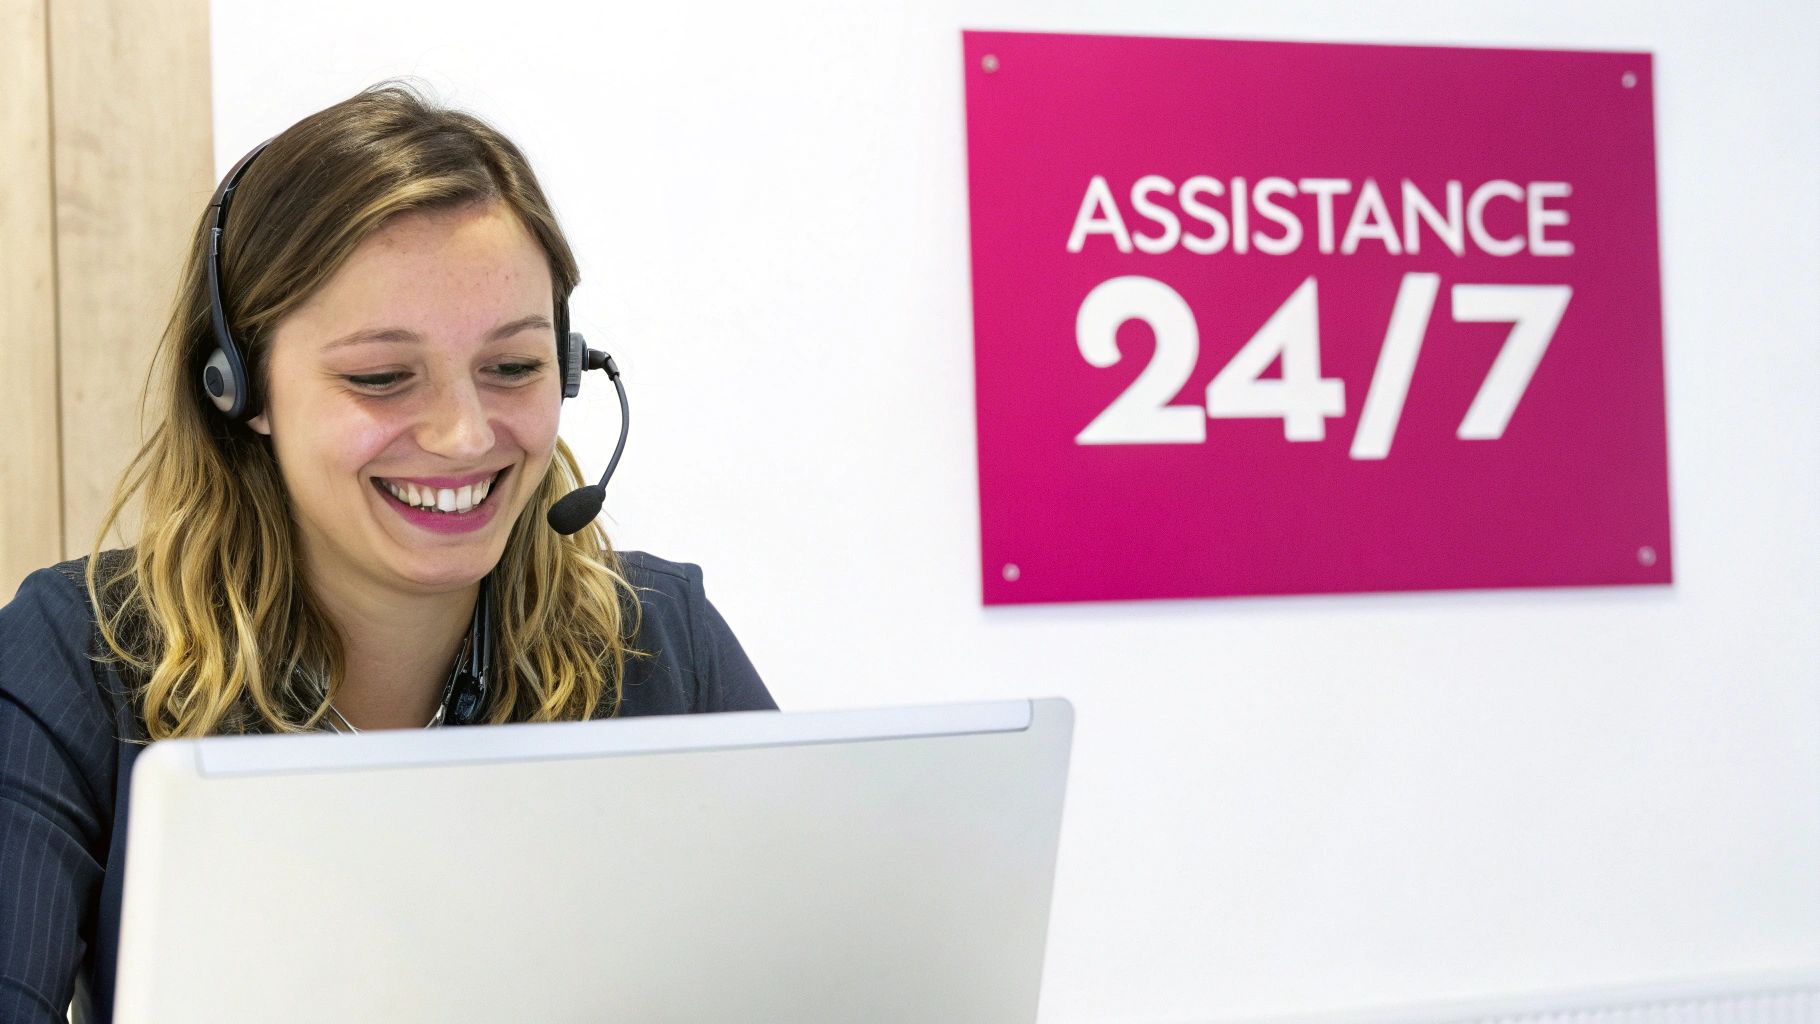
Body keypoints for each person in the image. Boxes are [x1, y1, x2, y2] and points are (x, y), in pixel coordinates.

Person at [0, 84, 775, 1023]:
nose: (464, 435)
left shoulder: (661, 644)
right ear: (239, 386)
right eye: (380, 377)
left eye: (514, 367)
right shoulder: (76, 659)